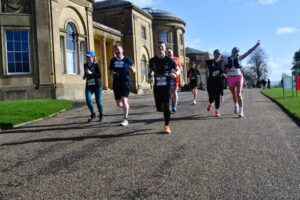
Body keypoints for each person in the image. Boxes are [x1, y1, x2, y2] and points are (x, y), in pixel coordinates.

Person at [148, 41, 180, 134]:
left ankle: (166, 125)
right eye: (158, 47)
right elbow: (149, 72)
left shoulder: (169, 60)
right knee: (159, 107)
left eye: (162, 47)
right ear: (156, 48)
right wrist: (149, 78)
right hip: (157, 86)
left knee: (166, 105)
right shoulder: (152, 60)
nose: (160, 48)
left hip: (167, 86)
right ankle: (166, 111)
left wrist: (175, 74)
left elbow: (178, 70)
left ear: (165, 48)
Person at [225, 40, 260, 117]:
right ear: (232, 51)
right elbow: (223, 68)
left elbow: (249, 52)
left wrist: (256, 45)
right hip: (230, 78)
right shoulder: (227, 59)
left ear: (237, 52)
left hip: (238, 77)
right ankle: (236, 105)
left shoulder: (239, 58)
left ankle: (241, 112)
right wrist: (226, 70)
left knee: (239, 94)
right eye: (234, 51)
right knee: (234, 95)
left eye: (236, 51)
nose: (235, 52)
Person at [109, 43, 136, 126]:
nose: (117, 51)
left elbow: (134, 70)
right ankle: (126, 106)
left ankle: (125, 119)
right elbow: (110, 71)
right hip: (116, 83)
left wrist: (132, 69)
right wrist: (112, 73)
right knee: (119, 104)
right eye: (115, 50)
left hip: (125, 82)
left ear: (122, 50)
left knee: (124, 100)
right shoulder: (113, 60)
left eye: (118, 49)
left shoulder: (127, 60)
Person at [83, 50, 103, 122]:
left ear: (93, 57)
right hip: (89, 85)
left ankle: (101, 114)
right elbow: (86, 73)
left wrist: (91, 73)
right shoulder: (85, 65)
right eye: (87, 57)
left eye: (89, 57)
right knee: (88, 100)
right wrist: (84, 76)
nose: (88, 58)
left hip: (97, 85)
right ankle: (93, 113)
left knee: (98, 102)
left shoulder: (96, 65)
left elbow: (99, 75)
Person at [205, 49, 225, 117]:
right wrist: (208, 53)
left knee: (217, 97)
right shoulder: (210, 62)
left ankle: (217, 111)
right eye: (217, 53)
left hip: (218, 81)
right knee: (211, 97)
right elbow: (206, 55)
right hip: (210, 81)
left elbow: (222, 71)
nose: (218, 55)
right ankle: (210, 103)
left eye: (219, 54)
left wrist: (222, 62)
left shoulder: (221, 62)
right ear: (214, 54)